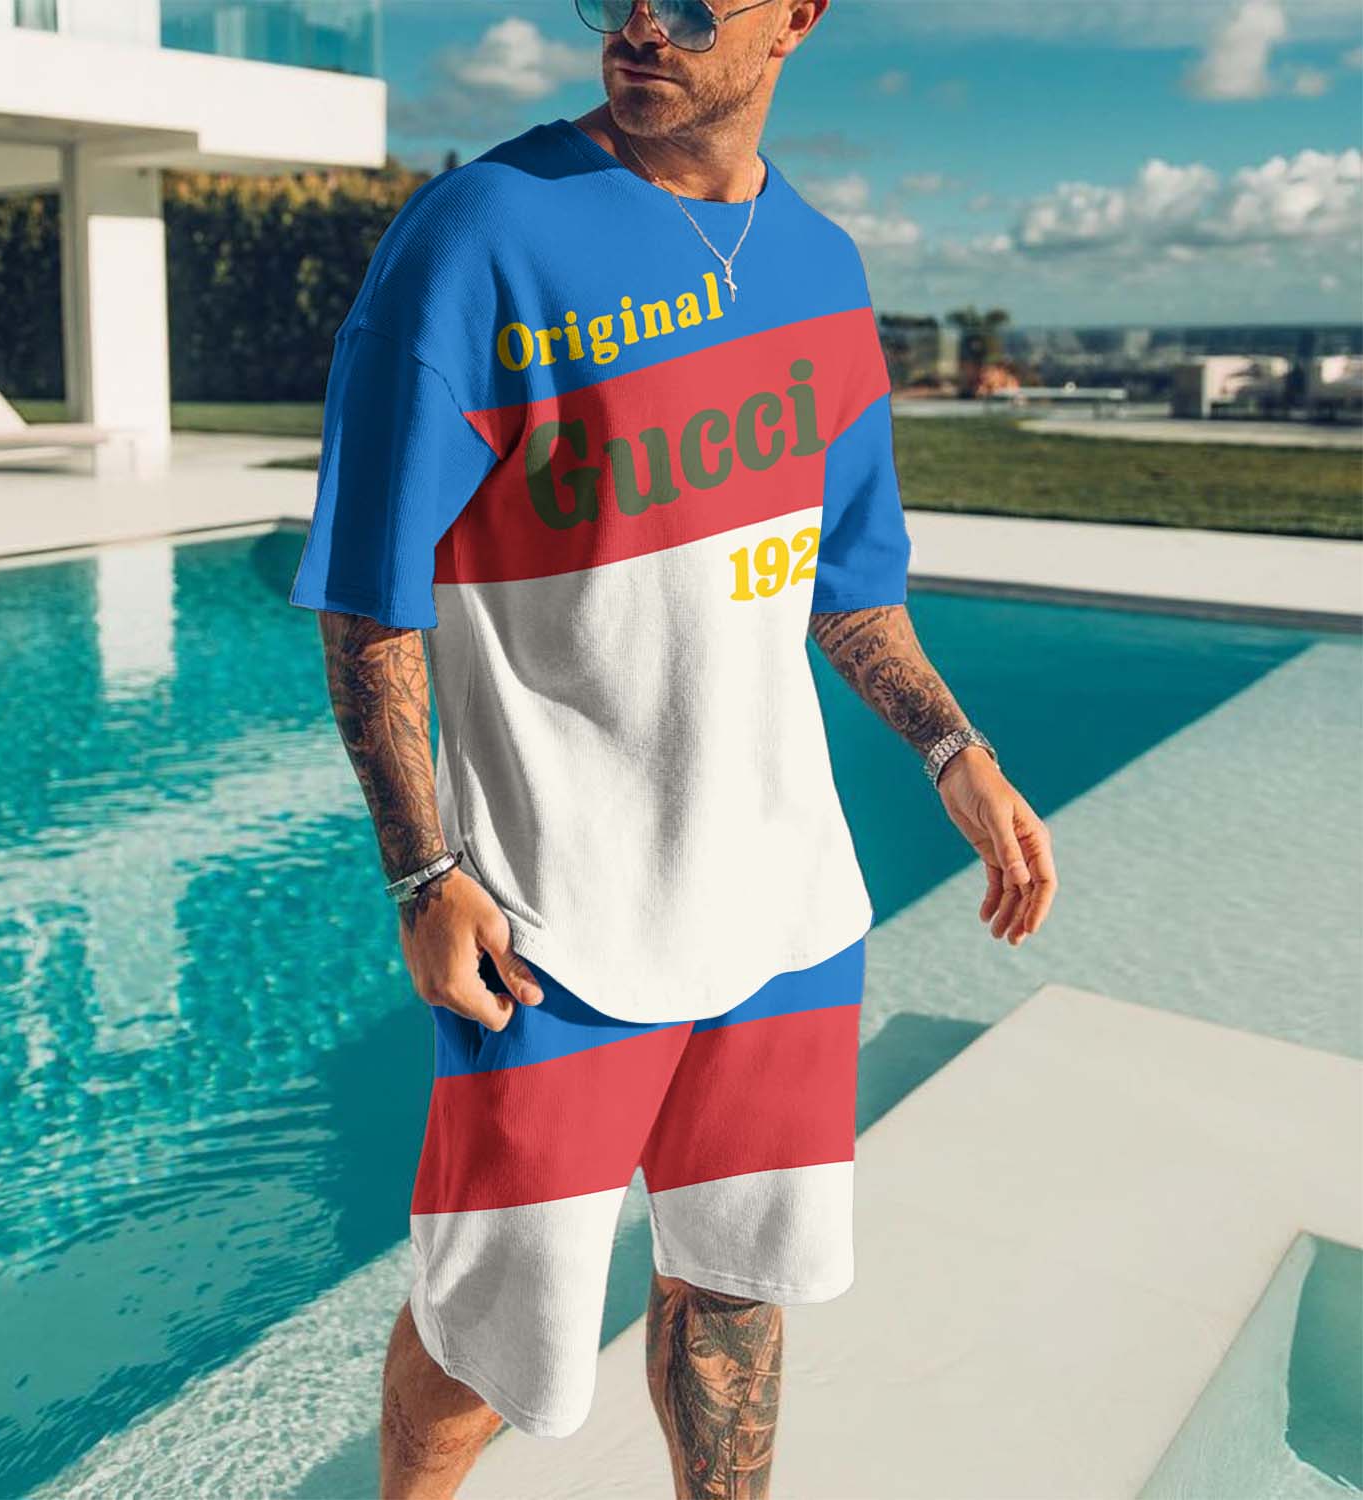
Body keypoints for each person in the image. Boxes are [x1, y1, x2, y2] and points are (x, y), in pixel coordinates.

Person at [288, 0, 1059, 1493]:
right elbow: (371, 599)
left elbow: (849, 590)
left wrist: (954, 750)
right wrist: (424, 871)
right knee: (484, 1341)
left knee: (736, 1296)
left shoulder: (821, 269)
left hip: (784, 910)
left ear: (796, 19)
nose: (645, 22)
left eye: (697, 1)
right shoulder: (479, 236)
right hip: (557, 929)